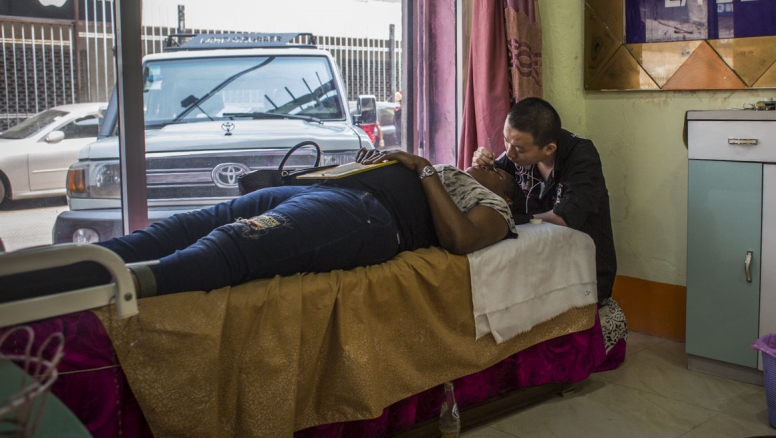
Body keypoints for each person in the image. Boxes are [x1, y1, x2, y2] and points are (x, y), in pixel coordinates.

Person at [99, 150, 518, 297]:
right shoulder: (449, 173)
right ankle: (86, 261)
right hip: (324, 190)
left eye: (496, 168)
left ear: (507, 192)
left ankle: (123, 284)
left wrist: (423, 168)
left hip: (367, 214)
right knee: (192, 224)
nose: (486, 163)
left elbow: (461, 240)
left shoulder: (494, 205)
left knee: (237, 241)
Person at [472, 97, 617, 302]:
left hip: (583, 272)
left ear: (549, 148)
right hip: (540, 264)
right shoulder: (515, 157)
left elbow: (564, 218)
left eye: (519, 148)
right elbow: (493, 181)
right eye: (506, 140)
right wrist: (482, 166)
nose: (509, 153)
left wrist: (516, 219)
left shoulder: (581, 156)